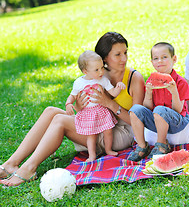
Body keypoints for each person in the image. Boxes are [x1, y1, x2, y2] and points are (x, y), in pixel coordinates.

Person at [0, 32, 145, 187]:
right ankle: (11, 164)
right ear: (103, 59)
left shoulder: (133, 78)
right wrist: (78, 106)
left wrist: (110, 103)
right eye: (117, 54)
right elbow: (85, 109)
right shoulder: (97, 73)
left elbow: (139, 122)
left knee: (60, 120)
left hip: (121, 132)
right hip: (97, 124)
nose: (124, 58)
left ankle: (28, 168)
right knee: (51, 111)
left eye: (125, 53)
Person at [128, 42, 189, 161]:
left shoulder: (180, 82)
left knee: (159, 109)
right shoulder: (151, 80)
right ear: (152, 62)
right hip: (157, 119)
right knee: (135, 109)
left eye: (164, 57)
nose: (160, 61)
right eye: (156, 58)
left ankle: (162, 144)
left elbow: (178, 110)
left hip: (177, 121)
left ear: (174, 59)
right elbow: (147, 108)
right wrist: (148, 92)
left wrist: (174, 91)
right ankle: (142, 146)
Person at [65, 50, 126, 162]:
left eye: (102, 68)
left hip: (101, 110)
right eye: (96, 70)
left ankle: (108, 150)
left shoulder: (103, 80)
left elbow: (112, 92)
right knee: (91, 135)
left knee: (108, 131)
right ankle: (92, 155)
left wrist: (118, 87)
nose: (101, 72)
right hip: (88, 112)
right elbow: (72, 95)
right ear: (85, 71)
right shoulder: (79, 83)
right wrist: (68, 103)